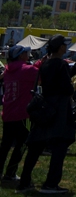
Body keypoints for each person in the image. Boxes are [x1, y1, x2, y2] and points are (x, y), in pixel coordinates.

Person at [18, 34, 76, 194]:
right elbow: (67, 86)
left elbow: (62, 75)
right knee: (59, 147)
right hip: (59, 110)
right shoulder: (60, 64)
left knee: (35, 147)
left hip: (44, 107)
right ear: (60, 48)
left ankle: (24, 182)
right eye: (64, 45)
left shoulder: (45, 63)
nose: (66, 48)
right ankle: (51, 184)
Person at [0, 45, 37, 185]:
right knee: (22, 144)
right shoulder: (28, 70)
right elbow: (40, 77)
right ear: (21, 55)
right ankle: (10, 172)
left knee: (5, 145)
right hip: (23, 114)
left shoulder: (8, 70)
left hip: (8, 112)